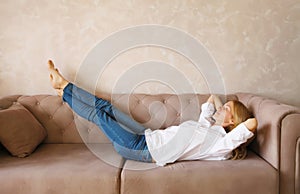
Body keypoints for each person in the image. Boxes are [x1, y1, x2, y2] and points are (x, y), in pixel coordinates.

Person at [48, 60, 257, 166]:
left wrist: (234, 123)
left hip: (141, 149)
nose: (221, 109)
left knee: (101, 117)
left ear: (233, 121)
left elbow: (252, 124)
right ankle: (64, 91)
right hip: (146, 135)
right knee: (108, 107)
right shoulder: (207, 126)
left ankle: (65, 87)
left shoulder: (221, 146)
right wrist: (226, 107)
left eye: (226, 110)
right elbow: (212, 99)